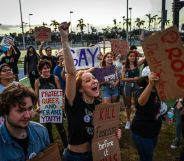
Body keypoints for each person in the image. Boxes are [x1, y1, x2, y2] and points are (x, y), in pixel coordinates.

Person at [58, 22, 121, 161]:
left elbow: (104, 132)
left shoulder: (99, 105)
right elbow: (71, 73)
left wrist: (114, 134)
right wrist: (64, 39)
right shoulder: (74, 101)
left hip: (95, 155)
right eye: (87, 81)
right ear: (80, 88)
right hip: (75, 157)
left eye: (94, 79)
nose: (94, 81)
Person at [0, 83, 50, 161]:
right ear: (5, 111)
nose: (27, 116)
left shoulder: (41, 131)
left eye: (30, 109)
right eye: (20, 111)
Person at [131, 66, 163, 161]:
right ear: (146, 79)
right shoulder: (140, 91)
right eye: (154, 77)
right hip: (142, 133)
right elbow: (141, 103)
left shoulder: (158, 91)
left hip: (153, 131)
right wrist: (150, 84)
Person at [34, 59, 68, 149]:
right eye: (44, 68)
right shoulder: (38, 81)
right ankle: (52, 147)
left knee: (60, 128)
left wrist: (62, 103)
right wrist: (38, 106)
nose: (47, 70)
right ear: (40, 70)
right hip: (45, 108)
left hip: (56, 107)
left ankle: (66, 146)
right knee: (48, 129)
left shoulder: (55, 78)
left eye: (48, 68)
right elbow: (36, 96)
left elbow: (59, 92)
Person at [122, 51, 145, 129]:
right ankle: (128, 121)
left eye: (133, 56)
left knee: (137, 103)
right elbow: (122, 78)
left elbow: (146, 58)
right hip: (127, 85)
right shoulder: (125, 66)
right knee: (128, 104)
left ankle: (137, 119)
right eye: (131, 56)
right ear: (128, 57)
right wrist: (133, 78)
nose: (132, 57)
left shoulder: (137, 64)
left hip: (136, 86)